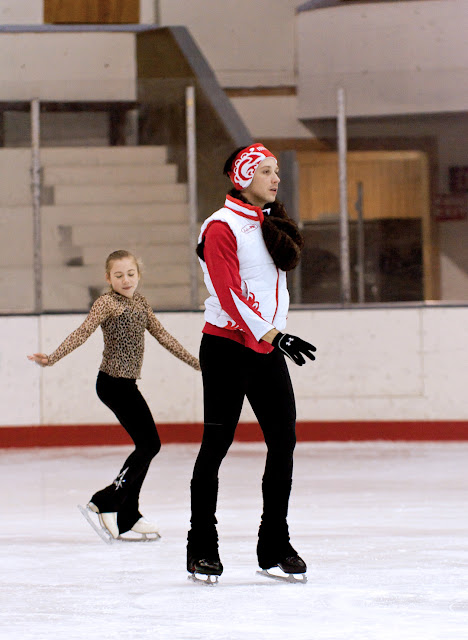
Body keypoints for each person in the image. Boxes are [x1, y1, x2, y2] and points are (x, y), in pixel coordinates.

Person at [187, 143, 316, 580]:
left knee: (284, 442)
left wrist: (272, 337)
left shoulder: (268, 222)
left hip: (265, 350)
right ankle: (201, 545)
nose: (275, 178)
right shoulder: (221, 227)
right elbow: (228, 293)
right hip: (226, 349)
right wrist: (274, 334)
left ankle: (273, 542)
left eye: (276, 170)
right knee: (216, 447)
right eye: (265, 171)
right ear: (243, 177)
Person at [28, 249, 200, 540]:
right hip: (111, 384)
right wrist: (53, 357)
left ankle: (128, 513)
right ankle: (107, 499)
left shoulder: (142, 305)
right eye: (118, 275)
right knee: (150, 445)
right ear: (108, 278)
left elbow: (164, 337)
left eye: (131, 274)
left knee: (147, 446)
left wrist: (199, 364)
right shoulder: (107, 303)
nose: (126, 280)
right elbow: (82, 332)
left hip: (127, 385)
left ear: (138, 275)